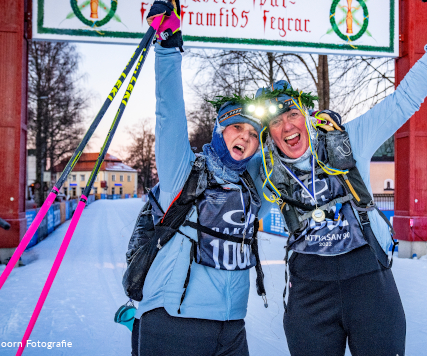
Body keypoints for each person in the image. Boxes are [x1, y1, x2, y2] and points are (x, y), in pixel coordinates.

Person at [253, 1, 427, 355]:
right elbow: (231, 215)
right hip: (309, 292)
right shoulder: (264, 171)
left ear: (307, 116)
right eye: (275, 123)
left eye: (292, 114)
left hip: (369, 280)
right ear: (268, 132)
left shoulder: (349, 138)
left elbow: (403, 101)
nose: (287, 127)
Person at [131, 1, 268, 355]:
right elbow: (169, 114)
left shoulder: (252, 185)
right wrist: (168, 47)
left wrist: (288, 111)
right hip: (173, 320)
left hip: (232, 324)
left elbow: (289, 157)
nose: (245, 138)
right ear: (219, 131)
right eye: (237, 129)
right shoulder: (184, 170)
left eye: (253, 135)